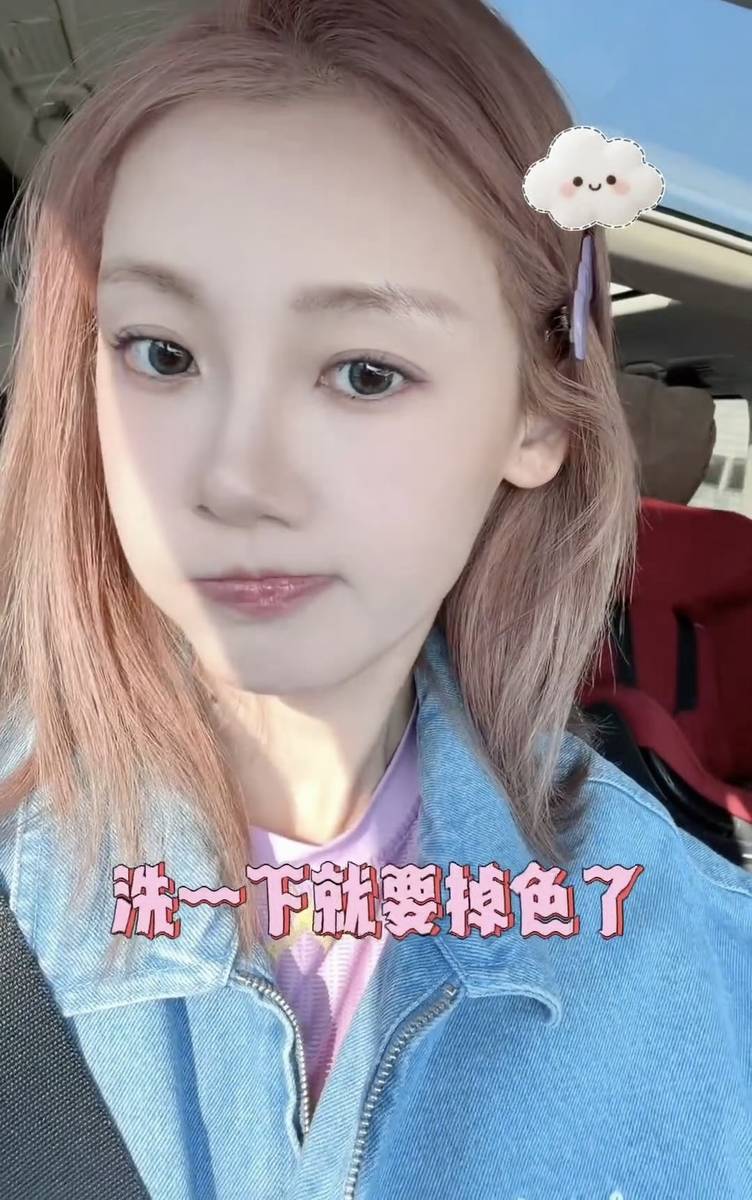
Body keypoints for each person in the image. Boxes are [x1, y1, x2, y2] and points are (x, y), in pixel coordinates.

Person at [0, 1, 749, 1197]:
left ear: (533, 417)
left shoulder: (706, 973)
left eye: (362, 372)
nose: (235, 479)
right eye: (161, 354)